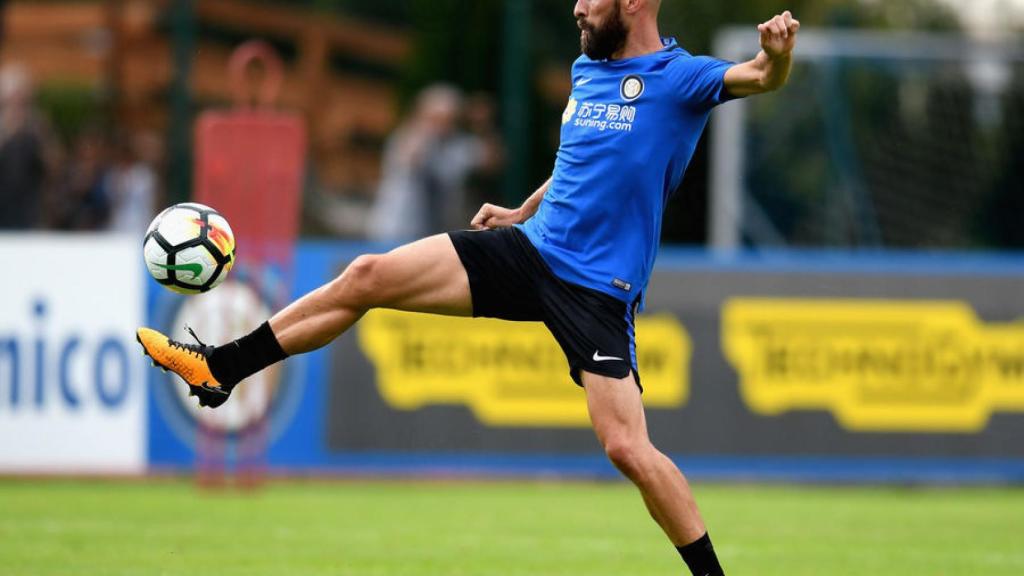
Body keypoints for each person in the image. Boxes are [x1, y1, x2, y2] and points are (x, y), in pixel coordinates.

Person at [137, 3, 799, 574]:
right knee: (367, 275)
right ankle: (220, 367)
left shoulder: (680, 78)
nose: (575, 7)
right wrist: (521, 212)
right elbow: (580, 161)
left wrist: (778, 54)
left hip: (597, 289)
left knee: (626, 446)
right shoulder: (587, 70)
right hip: (530, 251)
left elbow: (763, 77)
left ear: (631, 2)